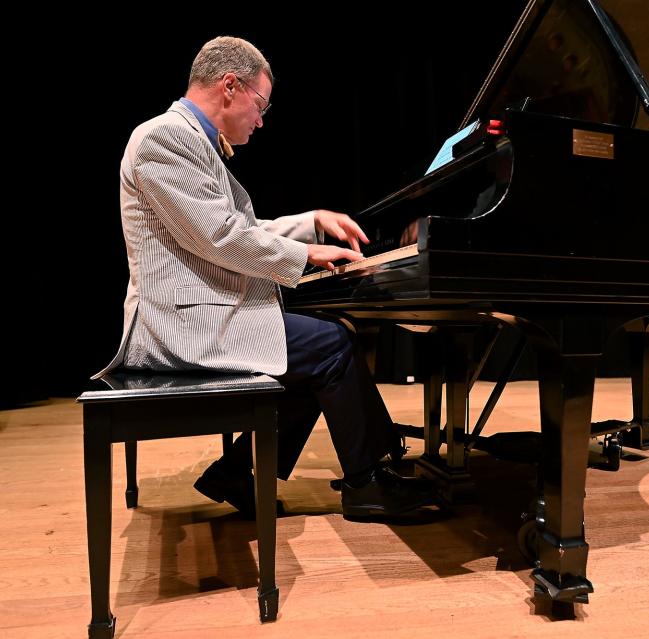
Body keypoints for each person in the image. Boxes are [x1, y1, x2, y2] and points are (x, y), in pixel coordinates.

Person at [94, 36, 433, 518]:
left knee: (319, 349)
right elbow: (219, 235)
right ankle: (366, 481)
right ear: (229, 86)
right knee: (332, 346)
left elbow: (240, 228)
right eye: (260, 105)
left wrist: (313, 219)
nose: (260, 120)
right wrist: (305, 252)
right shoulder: (162, 139)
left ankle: (237, 471)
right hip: (182, 328)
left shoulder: (192, 143)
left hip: (203, 315)